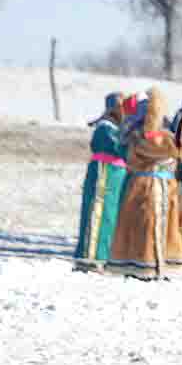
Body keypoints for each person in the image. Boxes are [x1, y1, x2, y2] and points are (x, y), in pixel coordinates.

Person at [107, 89, 182, 279]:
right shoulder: (141, 135)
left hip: (162, 187)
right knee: (147, 227)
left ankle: (163, 263)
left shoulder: (155, 134)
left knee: (164, 227)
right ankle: (145, 265)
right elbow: (167, 148)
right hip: (148, 187)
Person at [73, 92, 129, 272]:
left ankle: (103, 255)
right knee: (97, 213)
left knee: (109, 217)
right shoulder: (105, 128)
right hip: (104, 172)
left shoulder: (120, 127)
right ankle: (89, 256)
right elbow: (116, 148)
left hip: (115, 175)